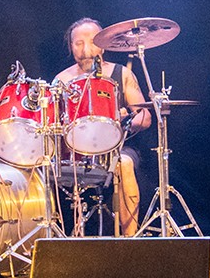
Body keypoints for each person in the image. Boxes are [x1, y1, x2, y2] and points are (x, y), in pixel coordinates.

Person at [55, 17, 151, 236]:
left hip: (119, 148)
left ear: (103, 43)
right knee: (43, 166)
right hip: (76, 152)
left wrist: (124, 120)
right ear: (71, 46)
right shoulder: (62, 80)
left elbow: (145, 117)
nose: (86, 50)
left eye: (92, 42)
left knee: (124, 164)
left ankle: (130, 240)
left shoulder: (121, 73)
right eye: (78, 43)